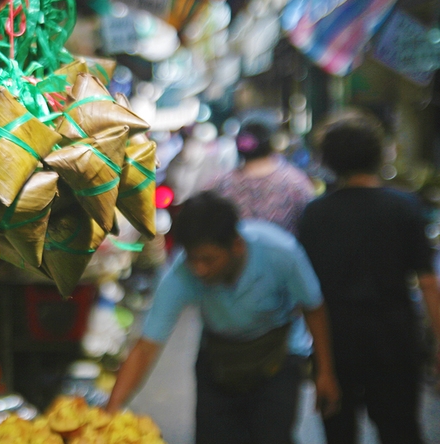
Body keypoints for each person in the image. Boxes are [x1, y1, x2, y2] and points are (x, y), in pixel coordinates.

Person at [106, 190, 340, 444]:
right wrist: (110, 413)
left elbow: (313, 308)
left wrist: (325, 372)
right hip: (218, 362)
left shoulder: (280, 252)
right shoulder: (182, 272)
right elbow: (146, 347)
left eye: (208, 260)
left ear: (236, 246)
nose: (199, 269)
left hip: (277, 362)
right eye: (193, 259)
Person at [297, 108, 440, 443]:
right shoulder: (405, 207)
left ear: (328, 161)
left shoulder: (315, 214)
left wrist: (321, 365)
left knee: (339, 434)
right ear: (379, 155)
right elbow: (429, 284)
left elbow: (309, 296)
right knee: (401, 431)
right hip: (394, 339)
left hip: (336, 341)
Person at [203, 112, 314, 234]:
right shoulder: (295, 182)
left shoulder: (219, 184)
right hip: (281, 252)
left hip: (235, 253)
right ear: (273, 143)